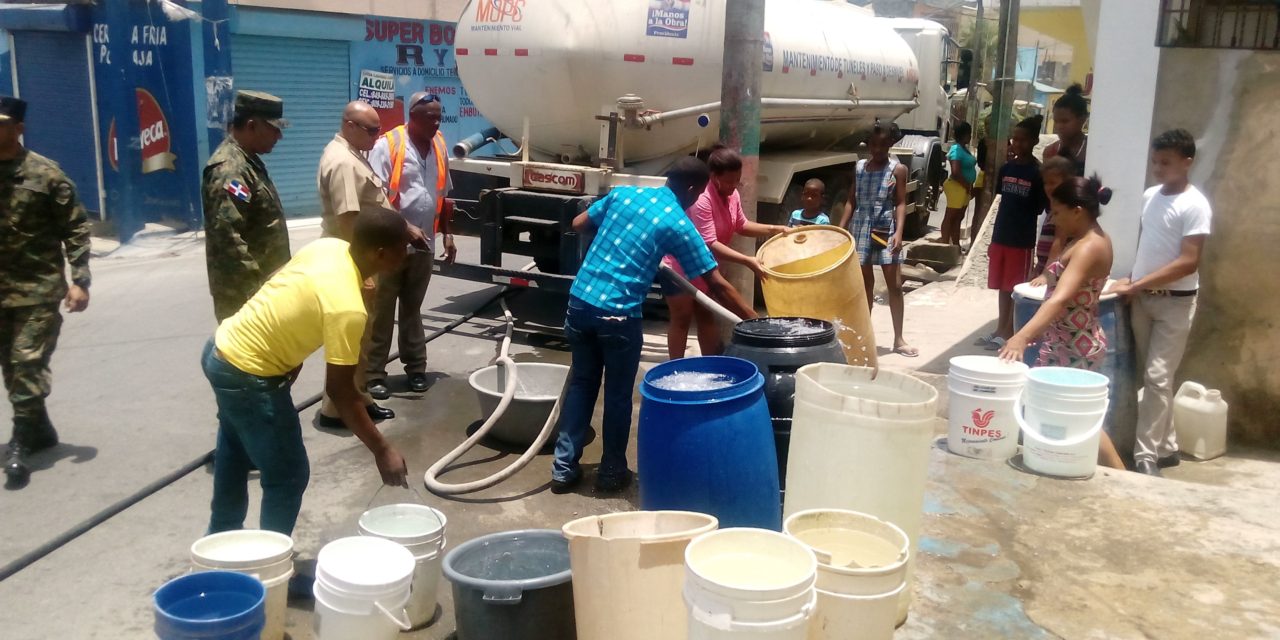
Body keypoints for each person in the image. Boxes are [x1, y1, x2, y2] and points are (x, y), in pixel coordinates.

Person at [201, 209, 412, 537]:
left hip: (221, 348)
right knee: (288, 475)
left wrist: (291, 355)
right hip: (248, 375)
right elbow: (341, 393)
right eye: (403, 247)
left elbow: (278, 279)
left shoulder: (330, 247)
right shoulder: (347, 309)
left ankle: (220, 544)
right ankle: (271, 564)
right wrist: (382, 449)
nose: (407, 254)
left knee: (235, 451)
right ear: (381, 254)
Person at [554, 157, 741, 494]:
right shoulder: (678, 223)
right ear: (694, 189)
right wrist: (755, 320)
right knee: (617, 395)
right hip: (618, 315)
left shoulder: (624, 194)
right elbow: (714, 281)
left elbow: (579, 221)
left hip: (579, 302)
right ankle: (611, 473)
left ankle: (563, 469)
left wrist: (617, 237)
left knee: (582, 384)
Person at [999, 176, 1124, 470]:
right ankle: (1052, 464)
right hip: (1064, 341)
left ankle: (1125, 479)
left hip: (1076, 346)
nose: (1053, 219)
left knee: (1081, 419)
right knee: (1056, 412)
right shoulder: (1083, 239)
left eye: (1057, 212)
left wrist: (1021, 336)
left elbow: (1059, 299)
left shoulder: (1089, 246)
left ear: (1077, 210)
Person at [1109, 129, 1212, 477]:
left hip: (1175, 303)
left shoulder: (1195, 205)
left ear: (1187, 162)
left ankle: (1146, 456)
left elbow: (1188, 262)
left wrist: (1139, 284)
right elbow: (1151, 246)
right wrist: (1133, 284)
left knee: (1156, 377)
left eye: (1165, 162)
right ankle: (1166, 447)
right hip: (1142, 301)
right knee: (1152, 378)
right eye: (1155, 161)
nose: (1158, 168)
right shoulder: (1150, 196)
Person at [0, 97, 92, 486]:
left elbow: (75, 227)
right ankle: (40, 430)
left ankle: (20, 442)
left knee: (26, 364)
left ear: (19, 127)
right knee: (11, 368)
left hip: (37, 291)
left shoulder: (46, 174)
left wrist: (80, 280)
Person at [365, 92, 457, 397]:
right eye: (430, 116)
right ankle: (374, 373)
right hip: (389, 246)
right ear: (413, 116)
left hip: (424, 244)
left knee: (412, 309)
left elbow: (445, 195)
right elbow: (375, 199)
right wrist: (404, 229)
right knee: (381, 310)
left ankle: (416, 368)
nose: (436, 121)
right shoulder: (387, 146)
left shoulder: (440, 145)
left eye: (438, 116)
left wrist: (448, 233)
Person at [315, 100, 399, 429]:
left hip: (361, 260)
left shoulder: (352, 156)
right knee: (351, 340)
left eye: (379, 130)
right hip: (353, 261)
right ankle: (337, 410)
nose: (377, 136)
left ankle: (358, 397)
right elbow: (349, 219)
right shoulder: (343, 162)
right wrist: (362, 274)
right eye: (371, 130)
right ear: (349, 125)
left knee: (361, 339)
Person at [662, 146, 781, 359]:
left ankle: (711, 364)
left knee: (707, 315)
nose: (734, 186)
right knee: (682, 317)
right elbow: (710, 243)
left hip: (706, 267)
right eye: (729, 181)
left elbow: (741, 224)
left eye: (737, 180)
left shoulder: (732, 193)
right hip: (680, 267)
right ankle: (675, 369)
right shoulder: (702, 199)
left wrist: (775, 229)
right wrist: (748, 261)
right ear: (713, 177)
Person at [202, 91, 291, 323]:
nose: (279, 136)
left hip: (265, 289)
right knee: (254, 359)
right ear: (251, 125)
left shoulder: (247, 161)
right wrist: (258, 295)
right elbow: (229, 239)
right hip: (247, 296)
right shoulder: (229, 169)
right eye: (273, 128)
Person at [838, 123, 918, 357]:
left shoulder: (897, 169)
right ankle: (864, 336)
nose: (878, 149)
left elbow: (901, 202)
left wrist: (899, 233)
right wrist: (841, 229)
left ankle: (899, 339)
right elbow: (851, 200)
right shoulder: (860, 167)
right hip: (861, 227)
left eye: (883, 145)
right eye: (874, 145)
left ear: (890, 144)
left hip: (885, 227)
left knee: (894, 285)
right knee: (865, 286)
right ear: (868, 145)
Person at [977, 115, 1047, 351]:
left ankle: (1008, 330)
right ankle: (1000, 327)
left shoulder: (1038, 173)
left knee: (1013, 287)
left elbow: (1039, 207)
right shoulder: (1006, 168)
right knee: (1000, 286)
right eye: (1014, 140)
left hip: (1021, 240)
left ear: (1034, 141)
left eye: (1022, 140)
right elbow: (1001, 201)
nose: (1017, 145)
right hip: (1001, 236)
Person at [1033, 156, 1075, 278]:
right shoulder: (1052, 208)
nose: (1048, 187)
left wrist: (1046, 274)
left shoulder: (1064, 209)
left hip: (1055, 271)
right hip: (1046, 266)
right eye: (1046, 183)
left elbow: (1059, 241)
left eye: (1053, 183)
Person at [941, 122, 977, 246]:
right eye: (969, 134)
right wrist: (966, 185)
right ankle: (944, 244)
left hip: (964, 187)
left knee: (958, 218)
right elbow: (955, 172)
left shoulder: (964, 149)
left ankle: (955, 245)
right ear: (964, 134)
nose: (970, 136)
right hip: (957, 186)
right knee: (951, 216)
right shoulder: (956, 149)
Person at [1043, 84, 1089, 177]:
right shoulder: (1050, 151)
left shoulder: (1091, 150)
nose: (1059, 126)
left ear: (1082, 119)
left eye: (1065, 121)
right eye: (1056, 121)